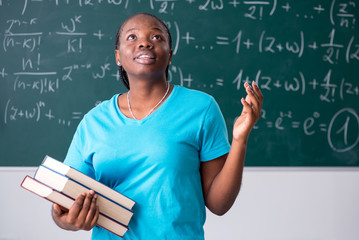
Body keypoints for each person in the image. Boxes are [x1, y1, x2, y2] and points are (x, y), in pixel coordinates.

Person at [51, 12, 263, 240]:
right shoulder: (93, 122)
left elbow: (219, 204)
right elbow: (64, 203)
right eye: (132, 37)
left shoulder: (201, 108)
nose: (144, 43)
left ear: (170, 55)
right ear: (118, 57)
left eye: (156, 37)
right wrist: (68, 221)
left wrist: (240, 139)